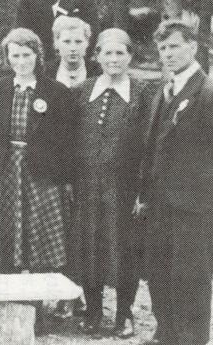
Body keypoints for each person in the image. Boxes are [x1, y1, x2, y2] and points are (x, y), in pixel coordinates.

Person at [138, 20, 213, 345]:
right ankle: (166, 336)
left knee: (190, 280)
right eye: (163, 48)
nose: (167, 53)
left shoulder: (211, 93)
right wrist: (145, 194)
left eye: (174, 46)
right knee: (159, 275)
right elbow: (154, 144)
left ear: (193, 47)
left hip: (195, 207)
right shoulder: (164, 89)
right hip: (159, 204)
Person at [0, 29, 76, 280]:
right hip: (4, 169)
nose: (21, 62)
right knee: (5, 232)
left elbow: (65, 138)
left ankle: (37, 302)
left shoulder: (55, 91)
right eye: (15, 56)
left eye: (27, 55)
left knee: (39, 236)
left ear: (38, 56)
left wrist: (62, 175)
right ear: (7, 58)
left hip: (40, 170)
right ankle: (8, 289)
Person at [70, 29, 151, 337]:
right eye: (107, 53)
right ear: (97, 56)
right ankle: (93, 312)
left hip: (124, 188)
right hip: (87, 185)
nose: (114, 59)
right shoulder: (82, 91)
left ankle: (124, 314)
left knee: (123, 249)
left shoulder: (143, 93)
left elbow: (149, 145)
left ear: (130, 56)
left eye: (120, 53)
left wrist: (143, 190)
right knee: (90, 245)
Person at [48, 15, 94, 88]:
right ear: (56, 43)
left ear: (87, 43)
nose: (73, 48)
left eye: (78, 42)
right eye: (67, 41)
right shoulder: (45, 73)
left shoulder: (99, 73)